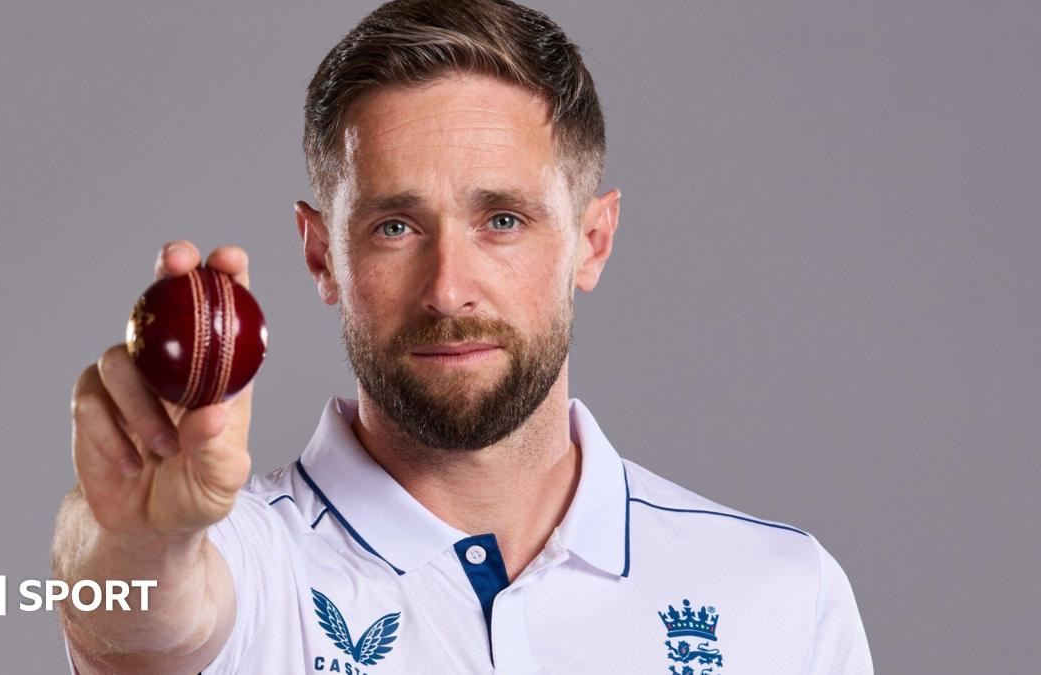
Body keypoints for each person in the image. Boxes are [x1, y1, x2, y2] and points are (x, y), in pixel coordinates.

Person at [51, 0, 875, 673]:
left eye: (503, 220)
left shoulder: (782, 594)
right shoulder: (245, 561)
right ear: (321, 254)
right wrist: (141, 539)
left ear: (592, 241)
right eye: (396, 226)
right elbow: (137, 624)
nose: (448, 289)